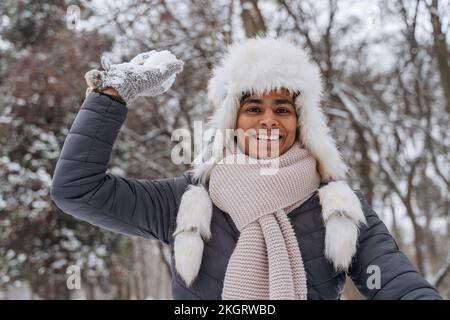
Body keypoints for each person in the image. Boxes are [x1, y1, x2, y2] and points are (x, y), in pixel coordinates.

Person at [50, 36, 441, 300]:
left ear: (301, 121)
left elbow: (395, 283)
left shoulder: (337, 206)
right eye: (253, 109)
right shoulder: (184, 201)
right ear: (232, 122)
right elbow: (77, 190)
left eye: (282, 110)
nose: (268, 121)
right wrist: (112, 93)